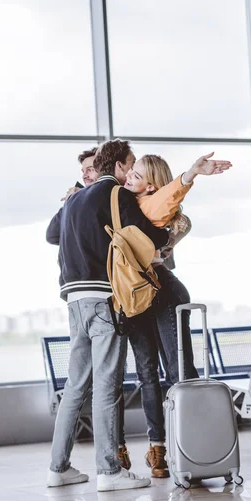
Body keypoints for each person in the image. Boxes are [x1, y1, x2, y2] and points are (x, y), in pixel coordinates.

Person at [92, 141, 232, 477]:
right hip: (140, 299)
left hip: (165, 295)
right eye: (131, 171)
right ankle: (162, 450)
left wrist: (191, 173)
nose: (128, 178)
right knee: (147, 376)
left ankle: (199, 447)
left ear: (151, 184)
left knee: (179, 372)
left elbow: (170, 196)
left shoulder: (150, 204)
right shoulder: (126, 204)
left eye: (136, 174)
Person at [45, 139, 169, 491]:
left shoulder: (73, 199)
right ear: (116, 167)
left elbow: (51, 235)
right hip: (103, 297)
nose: (131, 171)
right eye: (129, 165)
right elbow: (150, 235)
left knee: (76, 385)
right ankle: (109, 471)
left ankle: (58, 468)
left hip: (73, 298)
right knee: (106, 385)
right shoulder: (117, 195)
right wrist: (168, 230)